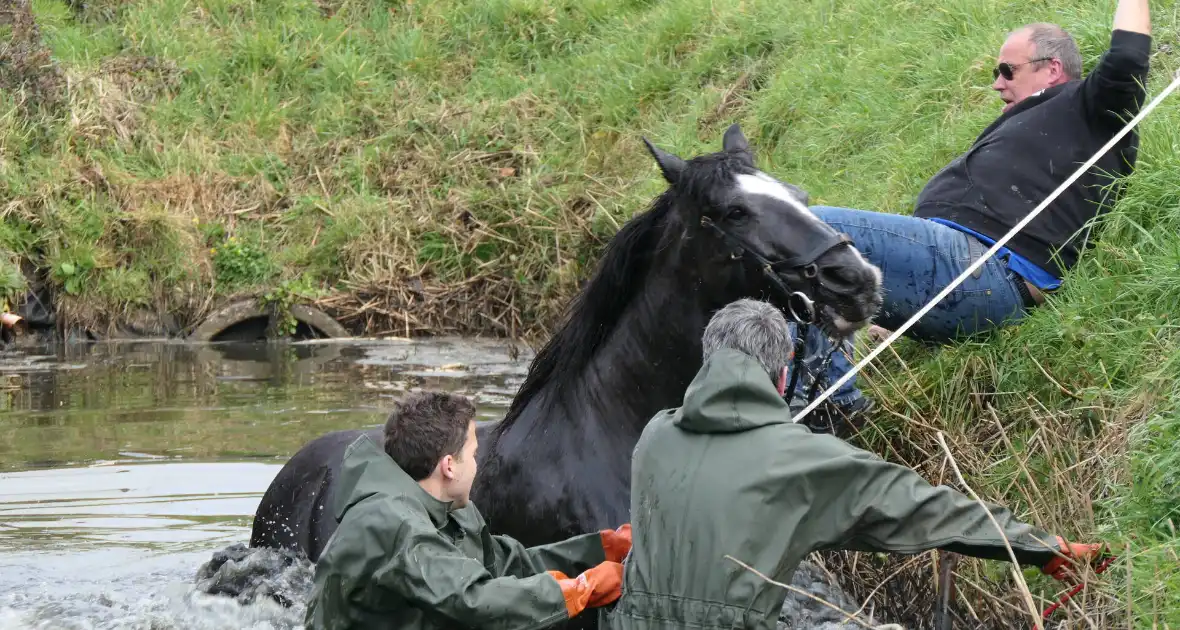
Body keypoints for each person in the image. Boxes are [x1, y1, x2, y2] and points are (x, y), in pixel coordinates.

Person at [600, 299, 1108, 630]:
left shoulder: (656, 436)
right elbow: (927, 510)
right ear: (782, 378)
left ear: (706, 364)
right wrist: (1040, 547)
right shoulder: (803, 459)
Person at [792, 0, 1152, 433]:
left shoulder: (1088, 108)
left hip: (986, 270)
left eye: (1007, 70)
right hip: (958, 274)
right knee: (788, 265)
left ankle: (829, 407)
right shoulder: (1035, 121)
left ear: (1052, 68)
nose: (997, 84)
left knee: (807, 230)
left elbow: (1128, 58)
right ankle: (804, 403)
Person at [304, 391, 633, 630]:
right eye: (473, 455)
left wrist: (601, 548)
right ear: (448, 466)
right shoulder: (391, 524)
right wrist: (581, 590)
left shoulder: (450, 511)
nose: (477, 465)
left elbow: (507, 564)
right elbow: (471, 600)